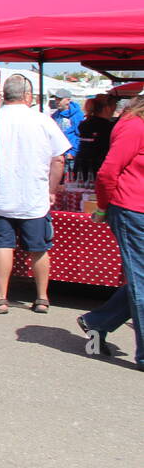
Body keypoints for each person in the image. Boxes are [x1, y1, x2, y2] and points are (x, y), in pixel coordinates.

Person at [0, 74, 69, 314]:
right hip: (34, 195)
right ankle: (41, 297)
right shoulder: (42, 120)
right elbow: (59, 159)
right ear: (28, 96)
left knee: (3, 245)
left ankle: (0, 298)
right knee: (39, 248)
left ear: (3, 95)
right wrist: (52, 189)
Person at [78, 94, 144, 370]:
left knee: (139, 279)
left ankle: (98, 321)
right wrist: (103, 207)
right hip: (131, 209)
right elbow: (108, 172)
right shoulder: (134, 126)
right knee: (140, 280)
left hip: (134, 207)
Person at [74, 96, 116, 177]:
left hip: (81, 164)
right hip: (98, 166)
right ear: (107, 108)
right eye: (114, 106)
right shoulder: (107, 126)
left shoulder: (85, 123)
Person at [48, 90, 84, 173]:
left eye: (59, 99)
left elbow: (80, 135)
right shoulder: (55, 115)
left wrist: (73, 152)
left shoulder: (78, 115)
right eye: (56, 99)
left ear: (68, 100)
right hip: (58, 155)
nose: (57, 102)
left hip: (70, 157)